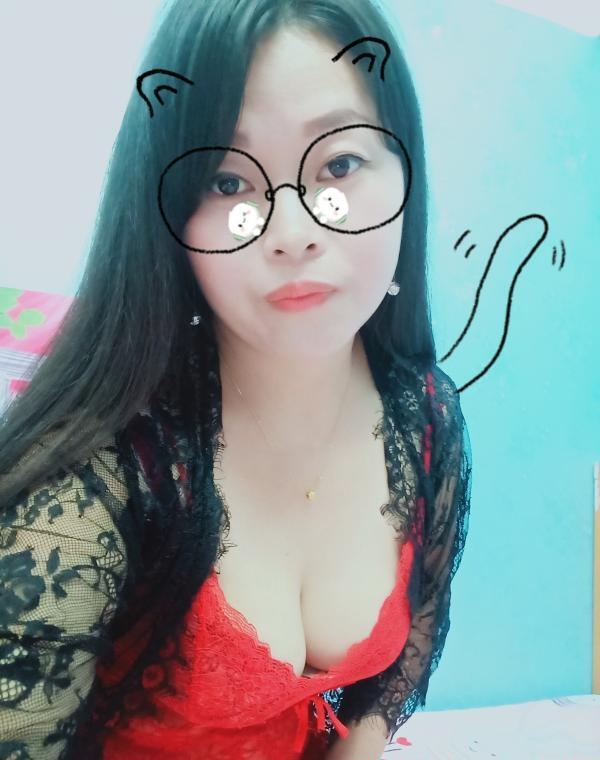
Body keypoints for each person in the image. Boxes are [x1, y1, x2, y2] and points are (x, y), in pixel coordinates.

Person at [0, 1, 472, 759]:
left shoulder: (423, 416)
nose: (292, 234)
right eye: (226, 181)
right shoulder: (93, 488)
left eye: (340, 165)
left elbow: (416, 630)